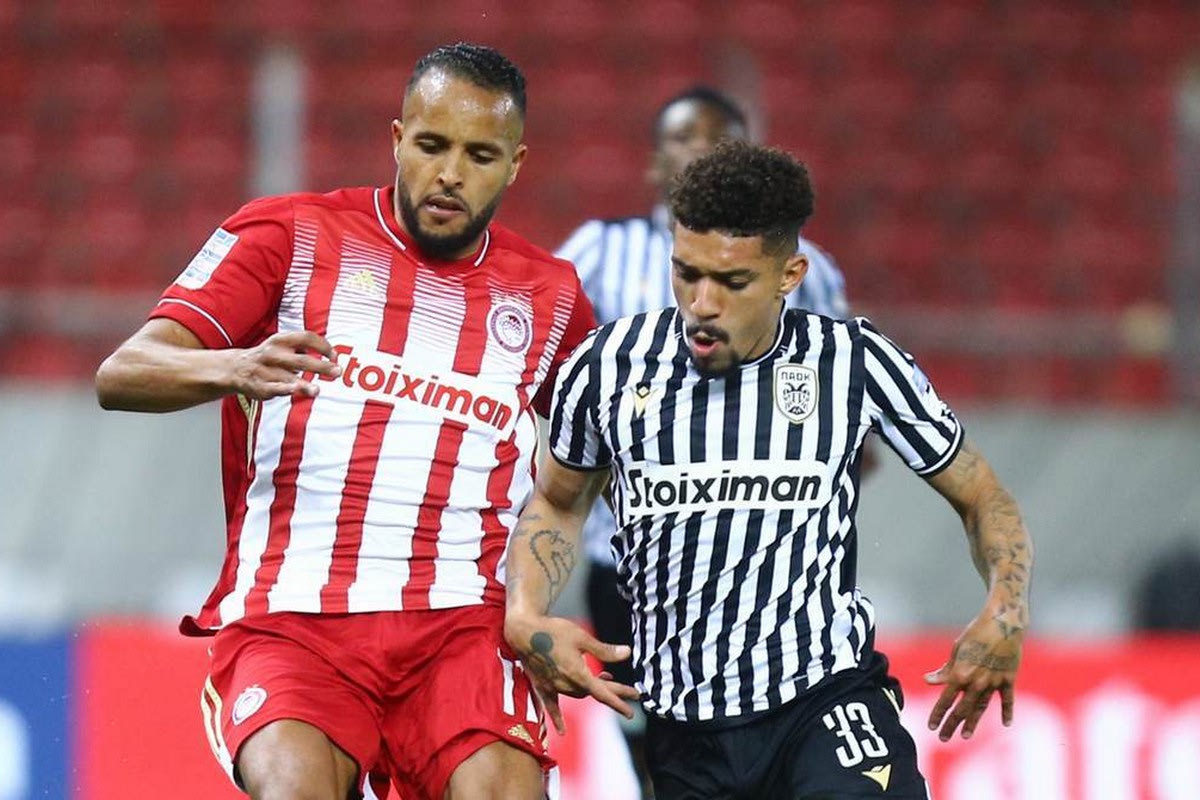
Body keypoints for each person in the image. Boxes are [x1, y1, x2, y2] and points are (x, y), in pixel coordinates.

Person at [95, 43, 600, 800]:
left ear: (515, 164)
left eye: (480, 155)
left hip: (461, 630)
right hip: (295, 621)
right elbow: (124, 372)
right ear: (397, 139)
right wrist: (233, 366)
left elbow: (586, 467)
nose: (450, 173)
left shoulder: (551, 296)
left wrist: (530, 609)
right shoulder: (289, 235)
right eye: (431, 145)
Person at [504, 141, 1033, 799]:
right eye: (687, 273)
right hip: (686, 733)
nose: (702, 303)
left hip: (823, 703)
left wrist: (1005, 609)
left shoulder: (853, 362)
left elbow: (982, 495)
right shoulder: (609, 366)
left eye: (732, 282)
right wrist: (525, 610)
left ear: (789, 275)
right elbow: (558, 503)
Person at [554, 86, 850, 795]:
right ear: (656, 163)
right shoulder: (602, 249)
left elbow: (843, 411)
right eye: (685, 139)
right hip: (627, 561)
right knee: (661, 757)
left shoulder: (806, 269)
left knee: (765, 748)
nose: (701, 153)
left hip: (761, 566)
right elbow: (542, 354)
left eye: (719, 140)